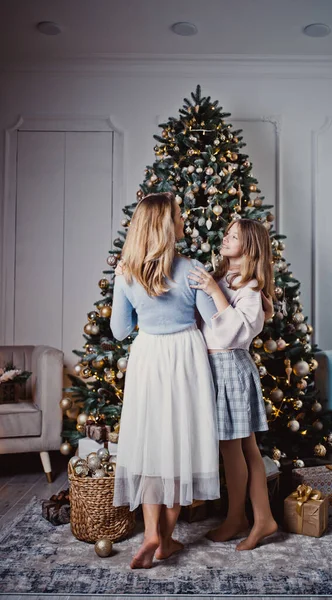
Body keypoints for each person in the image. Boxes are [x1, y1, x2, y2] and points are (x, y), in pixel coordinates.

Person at [110, 192, 219, 569]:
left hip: (148, 358)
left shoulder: (126, 273)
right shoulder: (192, 269)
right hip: (185, 357)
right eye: (178, 216)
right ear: (166, 225)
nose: (184, 221)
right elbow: (215, 324)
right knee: (181, 446)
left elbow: (120, 330)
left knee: (153, 445)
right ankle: (166, 539)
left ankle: (151, 534)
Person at [188, 218, 278, 551]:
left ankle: (256, 518)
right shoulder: (223, 278)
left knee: (242, 450)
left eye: (233, 236)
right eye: (225, 233)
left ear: (250, 246)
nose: (225, 238)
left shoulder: (251, 287)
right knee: (235, 450)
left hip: (231, 370)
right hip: (213, 369)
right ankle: (240, 517)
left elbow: (230, 333)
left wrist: (213, 291)